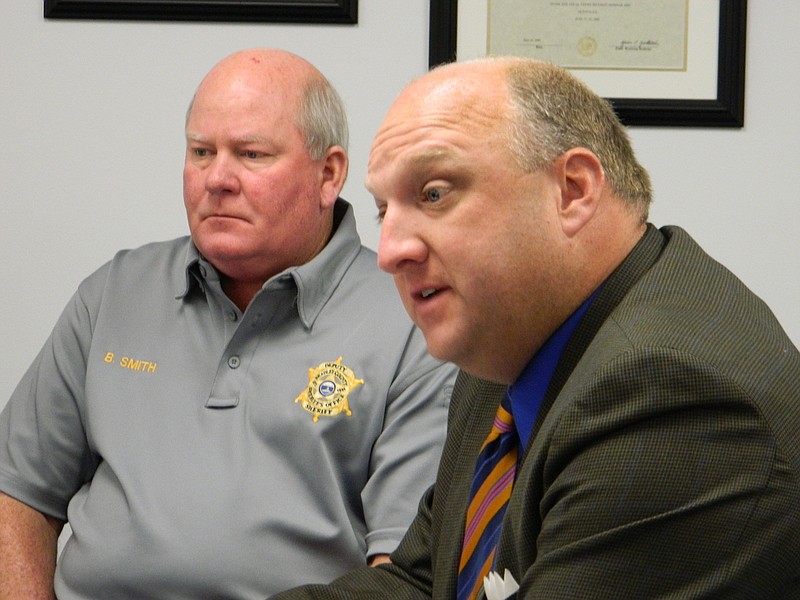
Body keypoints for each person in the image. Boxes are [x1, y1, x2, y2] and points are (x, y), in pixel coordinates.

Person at [272, 57, 800, 600]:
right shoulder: (511, 335)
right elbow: (423, 579)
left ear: (572, 190)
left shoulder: (670, 395)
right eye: (386, 210)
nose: (390, 252)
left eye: (433, 193)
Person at [0, 48, 457, 600]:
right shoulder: (116, 292)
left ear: (328, 174)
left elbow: (402, 573)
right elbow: (17, 493)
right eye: (201, 152)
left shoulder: (410, 319)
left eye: (251, 154)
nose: (217, 178)